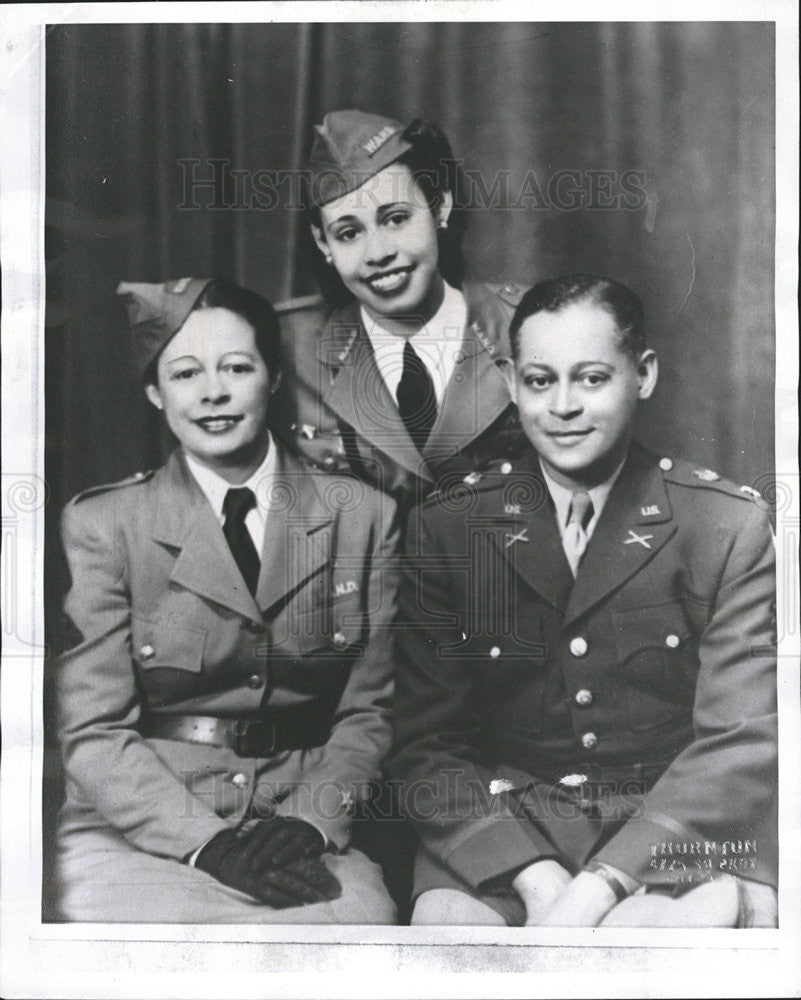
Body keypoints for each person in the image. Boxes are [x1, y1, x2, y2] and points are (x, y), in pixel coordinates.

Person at [387, 274, 778, 927]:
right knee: (452, 940)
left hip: (671, 828)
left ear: (643, 374)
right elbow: (423, 743)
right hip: (503, 828)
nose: (562, 405)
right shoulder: (449, 526)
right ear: (511, 385)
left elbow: (738, 742)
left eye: (591, 378)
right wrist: (535, 878)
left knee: (655, 941)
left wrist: (601, 886)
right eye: (540, 382)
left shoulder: (722, 526)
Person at [53, 277, 399, 923]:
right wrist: (203, 843)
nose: (213, 392)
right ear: (156, 393)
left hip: (300, 826)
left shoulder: (363, 516)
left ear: (272, 378)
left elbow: (370, 714)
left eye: (237, 367)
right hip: (141, 829)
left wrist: (311, 821)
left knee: (351, 946)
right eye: (185, 374)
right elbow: (93, 731)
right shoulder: (106, 524)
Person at [270, 109, 526, 516]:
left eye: (396, 218)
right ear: (323, 243)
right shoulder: (283, 346)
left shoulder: (529, 326)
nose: (378, 253)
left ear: (440, 206)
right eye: (349, 233)